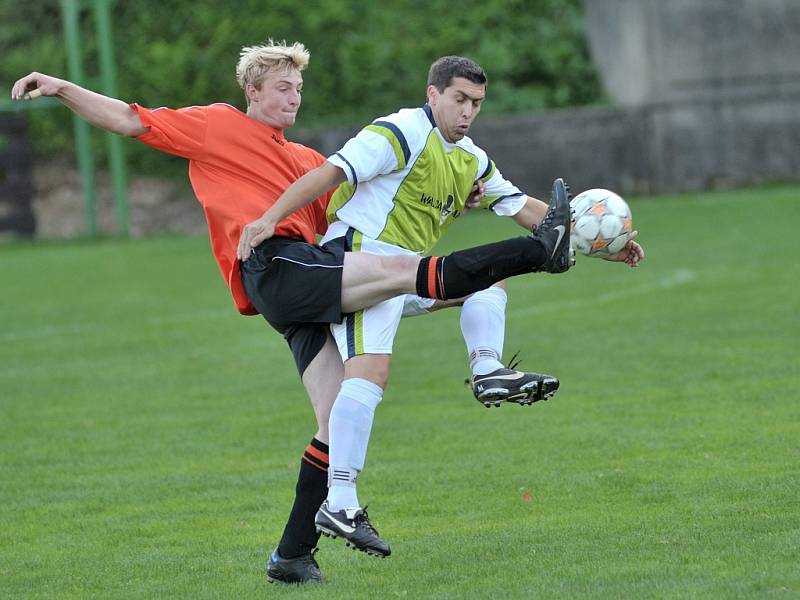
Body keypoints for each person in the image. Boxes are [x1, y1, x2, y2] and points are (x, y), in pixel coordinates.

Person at [11, 43, 591, 584]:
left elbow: (363, 208)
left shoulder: (306, 158)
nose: (294, 98)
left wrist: (453, 198)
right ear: (254, 91)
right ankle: (536, 255)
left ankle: (290, 554)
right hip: (275, 266)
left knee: (336, 418)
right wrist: (62, 87)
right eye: (284, 87)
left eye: (299, 89)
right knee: (399, 274)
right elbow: (130, 119)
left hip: (303, 281)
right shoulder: (217, 125)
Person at [238, 55, 645, 559]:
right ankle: (340, 501)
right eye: (459, 99)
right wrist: (267, 219)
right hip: (363, 260)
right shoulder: (399, 132)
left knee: (485, 284)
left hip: (405, 271)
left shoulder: (471, 159)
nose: (468, 111)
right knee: (369, 374)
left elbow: (529, 211)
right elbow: (329, 173)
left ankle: (488, 370)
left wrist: (602, 244)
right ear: (432, 95)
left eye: (476, 102)